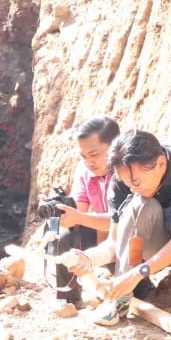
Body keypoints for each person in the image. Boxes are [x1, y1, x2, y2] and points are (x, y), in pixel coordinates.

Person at [70, 130, 171, 324]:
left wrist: (138, 273)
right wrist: (89, 258)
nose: (132, 188)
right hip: (154, 247)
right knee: (142, 204)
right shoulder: (123, 178)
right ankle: (121, 299)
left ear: (160, 164)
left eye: (136, 182)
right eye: (126, 183)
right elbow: (115, 242)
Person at [53, 116, 120, 300]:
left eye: (94, 154)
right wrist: (59, 212)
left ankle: (142, 289)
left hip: (130, 239)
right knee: (66, 237)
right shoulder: (85, 172)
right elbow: (77, 214)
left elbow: (119, 222)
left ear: (115, 147)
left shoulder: (128, 172)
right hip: (103, 238)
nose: (89, 162)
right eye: (83, 156)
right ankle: (68, 299)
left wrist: (79, 217)